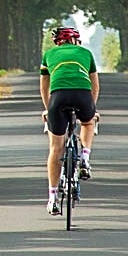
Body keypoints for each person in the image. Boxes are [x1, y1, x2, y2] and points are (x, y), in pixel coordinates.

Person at [40, 24, 99, 215]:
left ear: (57, 42)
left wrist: (48, 109)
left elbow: (44, 87)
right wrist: (92, 109)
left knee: (55, 148)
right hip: (83, 95)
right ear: (75, 40)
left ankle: (52, 198)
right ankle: (85, 159)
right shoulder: (86, 53)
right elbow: (94, 85)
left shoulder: (49, 54)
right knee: (88, 122)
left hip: (58, 98)